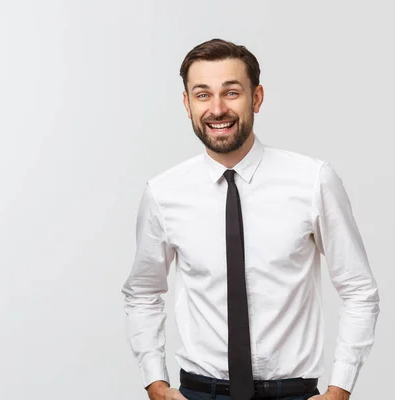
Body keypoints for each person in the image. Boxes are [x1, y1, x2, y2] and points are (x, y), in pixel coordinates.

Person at [122, 38, 380, 400]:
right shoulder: (164, 193)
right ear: (187, 104)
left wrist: (340, 389)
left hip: (291, 393)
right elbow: (142, 292)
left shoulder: (312, 180)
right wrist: (156, 384)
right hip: (200, 392)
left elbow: (359, 290)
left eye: (231, 93)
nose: (217, 109)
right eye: (202, 95)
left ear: (256, 97)